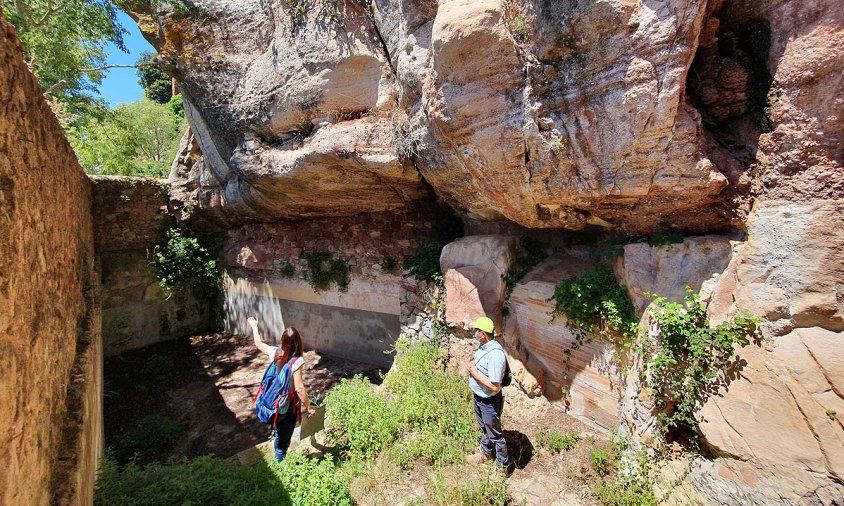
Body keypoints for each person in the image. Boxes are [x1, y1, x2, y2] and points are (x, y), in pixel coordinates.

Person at [248, 316, 316, 461]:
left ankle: (278, 446)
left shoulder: (275, 352)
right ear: (298, 343)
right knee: (284, 439)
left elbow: (258, 343)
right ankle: (280, 460)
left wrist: (254, 326)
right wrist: (309, 407)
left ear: (283, 341)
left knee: (279, 429)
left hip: (273, 402)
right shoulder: (297, 361)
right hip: (286, 407)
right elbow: (299, 388)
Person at [465, 316, 509, 471]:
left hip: (489, 402)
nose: (474, 332)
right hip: (479, 398)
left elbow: (495, 387)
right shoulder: (484, 347)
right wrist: (472, 367)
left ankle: (503, 467)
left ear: (483, 334)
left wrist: (475, 374)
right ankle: (486, 453)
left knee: (496, 435)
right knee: (485, 428)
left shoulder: (495, 355)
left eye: (477, 330)